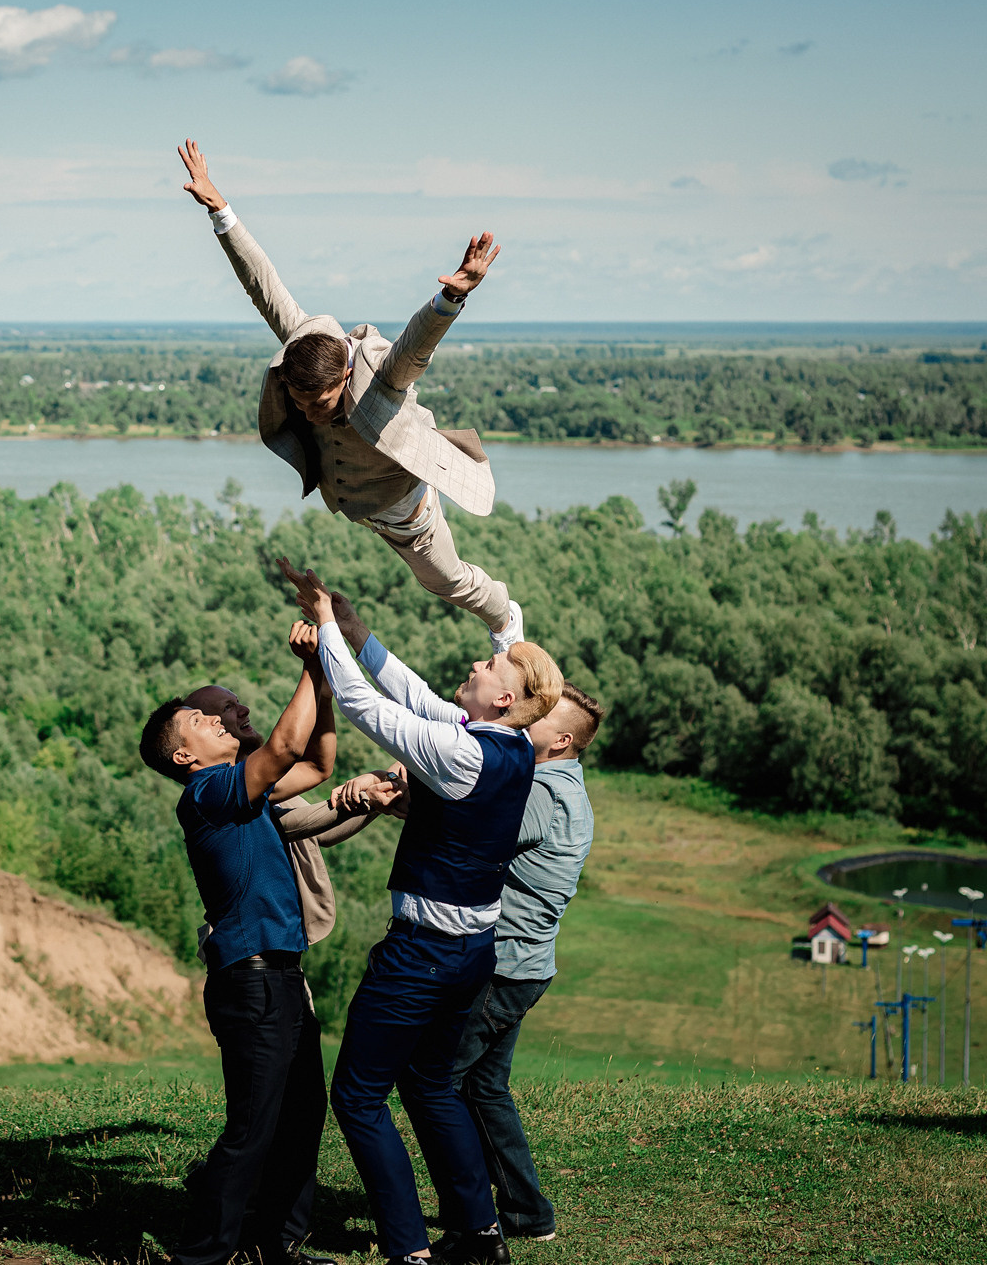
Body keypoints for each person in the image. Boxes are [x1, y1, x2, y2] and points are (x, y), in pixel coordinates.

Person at [279, 561, 563, 1265]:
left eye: (490, 662)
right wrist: (354, 628)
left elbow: (363, 703)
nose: (477, 660)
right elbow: (407, 689)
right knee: (433, 1083)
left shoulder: (460, 752)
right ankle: (479, 1233)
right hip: (472, 952)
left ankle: (410, 1250)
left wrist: (320, 623)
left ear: (506, 696)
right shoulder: (507, 744)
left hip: (422, 954)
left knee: (359, 1097)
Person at [178, 138, 525, 650]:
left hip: (409, 510)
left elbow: (416, 343)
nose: (307, 413)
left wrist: (452, 295)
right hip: (359, 504)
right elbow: (263, 283)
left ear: (344, 376)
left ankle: (505, 621)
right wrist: (221, 212)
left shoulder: (382, 376)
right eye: (298, 401)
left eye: (319, 404)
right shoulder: (303, 343)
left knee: (445, 583)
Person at [138, 623, 339, 1265]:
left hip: (281, 973)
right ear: (184, 756)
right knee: (253, 1127)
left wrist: (326, 684)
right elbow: (282, 747)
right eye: (197, 719)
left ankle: (279, 1246)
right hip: (248, 979)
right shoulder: (207, 793)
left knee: (303, 1114)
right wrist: (314, 662)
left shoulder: (246, 795)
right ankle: (202, 1256)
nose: (215, 717)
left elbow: (316, 763)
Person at [438, 686, 603, 1242]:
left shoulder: (543, 795)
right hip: (522, 965)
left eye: (540, 715)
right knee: (484, 1090)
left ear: (560, 740)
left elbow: (474, 829)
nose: (522, 715)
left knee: (438, 1081)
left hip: (504, 966)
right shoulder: (562, 787)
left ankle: (472, 1220)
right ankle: (527, 1215)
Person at [183, 683, 394, 948]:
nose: (244, 710)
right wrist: (375, 791)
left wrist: (324, 697)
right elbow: (297, 824)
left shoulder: (256, 783)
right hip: (252, 953)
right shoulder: (228, 792)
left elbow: (318, 776)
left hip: (278, 948)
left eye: (237, 701)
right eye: (228, 708)